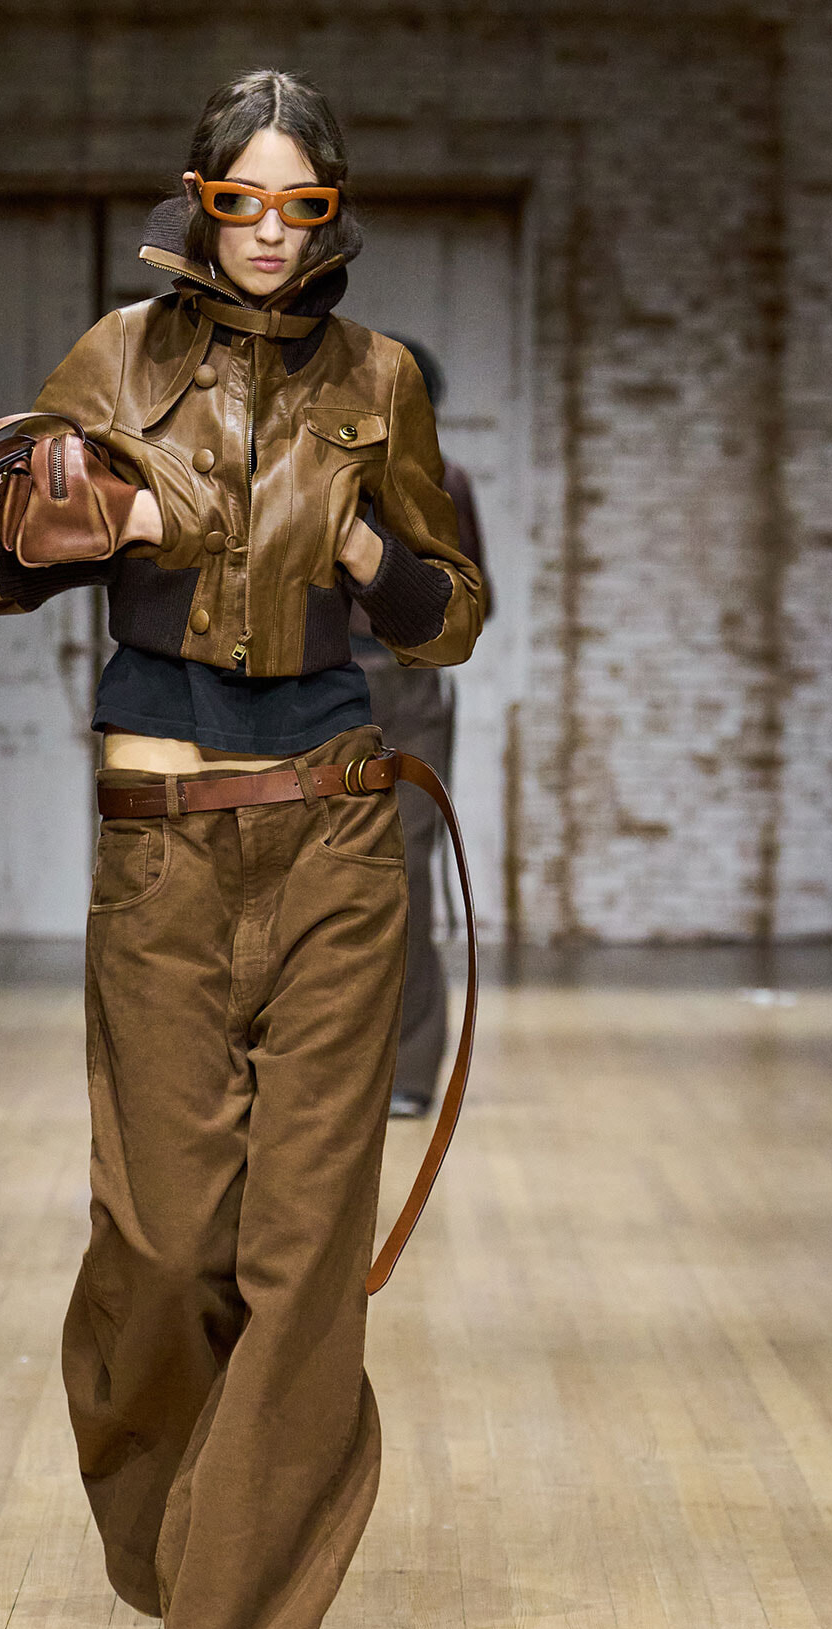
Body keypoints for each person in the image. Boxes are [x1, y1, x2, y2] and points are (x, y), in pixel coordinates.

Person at [0, 69, 484, 1629]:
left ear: (333, 217)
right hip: (162, 845)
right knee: (168, 1247)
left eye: (298, 207)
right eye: (240, 200)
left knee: (306, 1255)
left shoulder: (378, 378)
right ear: (197, 199)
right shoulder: (118, 358)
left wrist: (376, 563)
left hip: (334, 836)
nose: (265, 232)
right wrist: (87, 514)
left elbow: (454, 609)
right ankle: (188, 1540)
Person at [351, 341, 493, 1117]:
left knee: (405, 868)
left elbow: (476, 600)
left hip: (405, 683)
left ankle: (408, 1069)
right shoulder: (319, 473)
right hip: (314, 682)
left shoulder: (445, 483)